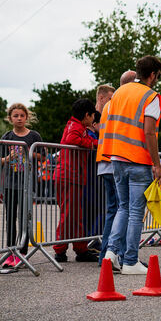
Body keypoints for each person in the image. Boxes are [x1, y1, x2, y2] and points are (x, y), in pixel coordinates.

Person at [100, 55, 161, 274]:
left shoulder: (119, 92)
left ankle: (111, 254)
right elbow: (149, 131)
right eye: (158, 76)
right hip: (138, 160)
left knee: (123, 207)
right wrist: (157, 164)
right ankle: (130, 261)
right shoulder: (151, 96)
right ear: (153, 74)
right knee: (136, 212)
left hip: (116, 158)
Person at [52, 98, 99, 263]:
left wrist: (93, 142)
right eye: (93, 115)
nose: (94, 119)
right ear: (87, 115)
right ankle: (60, 250)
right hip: (69, 176)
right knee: (68, 215)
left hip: (74, 176)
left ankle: (80, 249)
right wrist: (92, 144)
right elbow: (71, 140)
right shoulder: (75, 126)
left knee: (76, 216)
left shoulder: (79, 127)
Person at [0, 103, 43, 269]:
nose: (19, 118)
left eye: (22, 116)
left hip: (27, 183)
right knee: (10, 219)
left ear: (27, 117)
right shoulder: (7, 136)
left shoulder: (34, 136)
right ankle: (10, 252)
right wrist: (9, 157)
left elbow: (42, 157)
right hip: (10, 184)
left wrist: (28, 152)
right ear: (10, 118)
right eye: (15, 116)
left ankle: (22, 253)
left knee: (24, 219)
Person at [94, 85, 120, 268]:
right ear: (102, 98)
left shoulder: (102, 113)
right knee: (121, 210)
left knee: (113, 211)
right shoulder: (110, 111)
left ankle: (105, 254)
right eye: (110, 98)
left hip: (105, 163)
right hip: (113, 162)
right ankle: (117, 254)